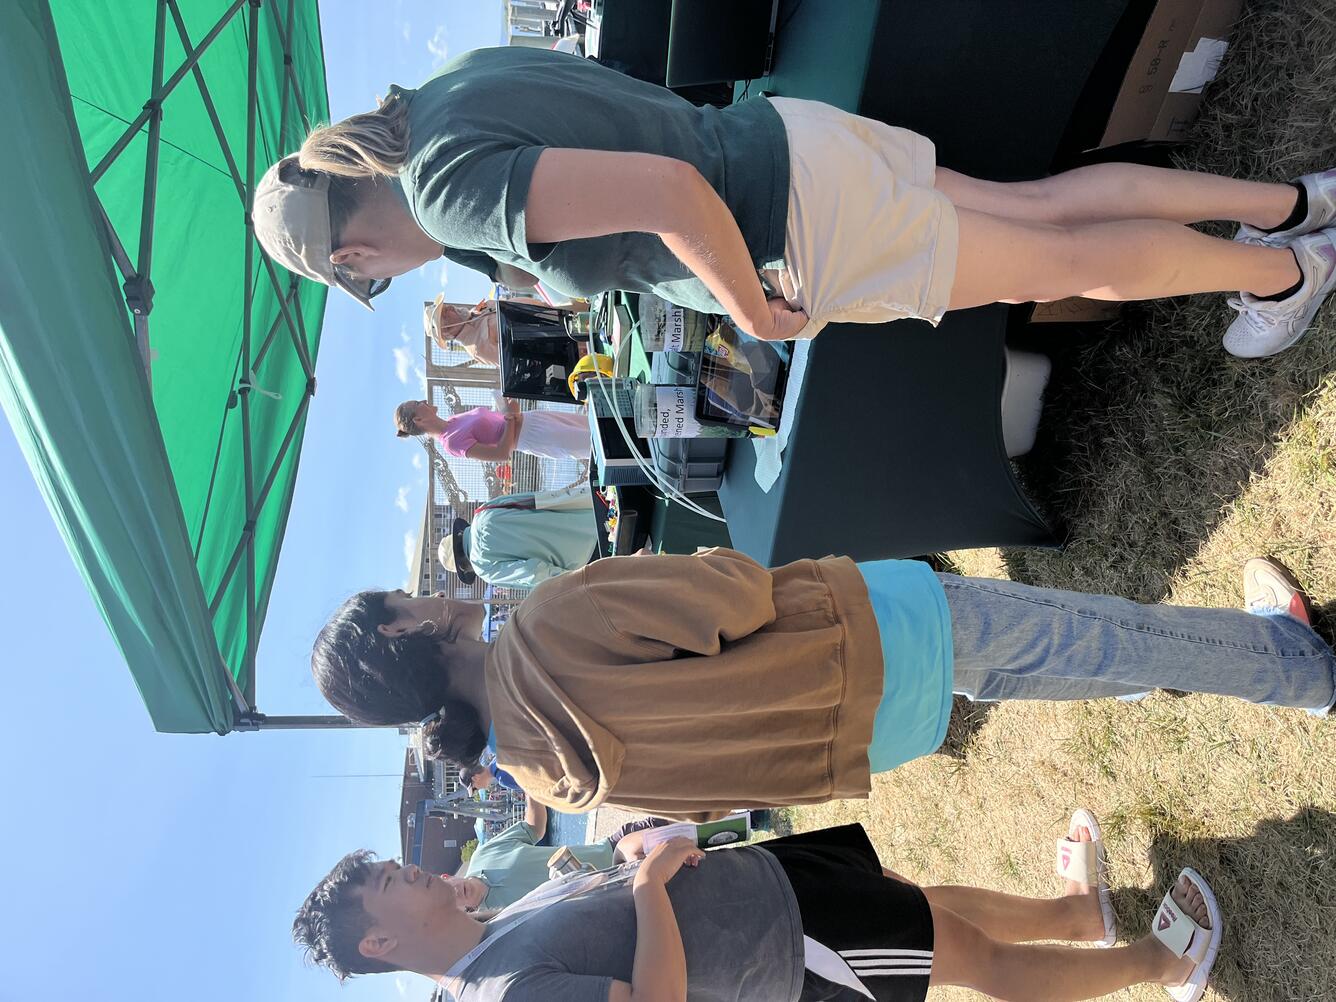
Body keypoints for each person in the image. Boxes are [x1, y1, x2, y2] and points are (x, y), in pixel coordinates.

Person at [254, 45, 1336, 362]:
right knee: (1046, 210)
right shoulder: (444, 99)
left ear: (350, 256)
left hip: (794, 229)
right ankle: (1289, 206)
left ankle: (1287, 272)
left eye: (362, 281)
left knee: (1063, 261)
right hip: (788, 143)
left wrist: (746, 308)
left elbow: (664, 193)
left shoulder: (443, 196)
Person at [309, 548, 1335, 819]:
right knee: (1103, 641)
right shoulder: (542, 625)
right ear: (401, 626)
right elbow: (732, 593)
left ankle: (1253, 661)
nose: (421, 590)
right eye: (401, 595)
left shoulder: (536, 779)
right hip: (865, 637)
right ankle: (1291, 664)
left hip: (859, 734)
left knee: (1055, 663)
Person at [292, 812, 1223, 1002]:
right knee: (969, 959)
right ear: (378, 940)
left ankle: (1079, 917)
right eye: (390, 884)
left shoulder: (492, 932)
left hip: (767, 889)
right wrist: (651, 889)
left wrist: (631, 853)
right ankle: (1163, 965)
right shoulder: (498, 994)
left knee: (921, 904)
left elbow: (608, 891)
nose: (408, 872)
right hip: (787, 950)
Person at [451, 798, 668, 911]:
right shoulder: (495, 922)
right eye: (451, 902)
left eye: (448, 889)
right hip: (624, 897)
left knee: (691, 826)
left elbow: (534, 828)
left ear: (445, 877)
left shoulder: (483, 854)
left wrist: (530, 786)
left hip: (614, 848)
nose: (455, 893)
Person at [434, 485, 597, 590]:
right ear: (459, 534)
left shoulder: (483, 568)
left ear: (463, 566)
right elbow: (535, 500)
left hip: (585, 560)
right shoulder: (484, 511)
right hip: (587, 516)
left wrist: (580, 584)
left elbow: (532, 573)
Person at [396, 397, 590, 462]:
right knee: (597, 444)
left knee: (597, 424)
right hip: (536, 437)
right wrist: (511, 418)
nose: (423, 401)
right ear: (419, 419)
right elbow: (501, 454)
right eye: (418, 403)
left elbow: (498, 424)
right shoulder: (451, 443)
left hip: (534, 418)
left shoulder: (453, 420)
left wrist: (507, 410)